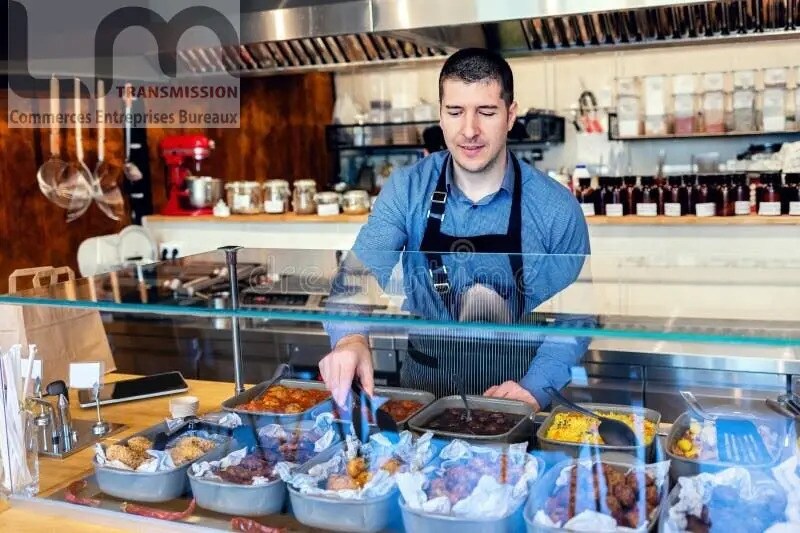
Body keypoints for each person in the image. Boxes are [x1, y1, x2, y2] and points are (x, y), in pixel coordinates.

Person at [319, 48, 590, 412]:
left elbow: (578, 316)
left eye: (487, 112)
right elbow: (359, 274)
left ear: (510, 115)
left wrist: (535, 388)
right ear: (440, 115)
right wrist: (350, 338)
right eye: (455, 111)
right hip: (423, 394)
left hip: (521, 396)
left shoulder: (556, 207)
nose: (469, 131)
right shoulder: (407, 189)